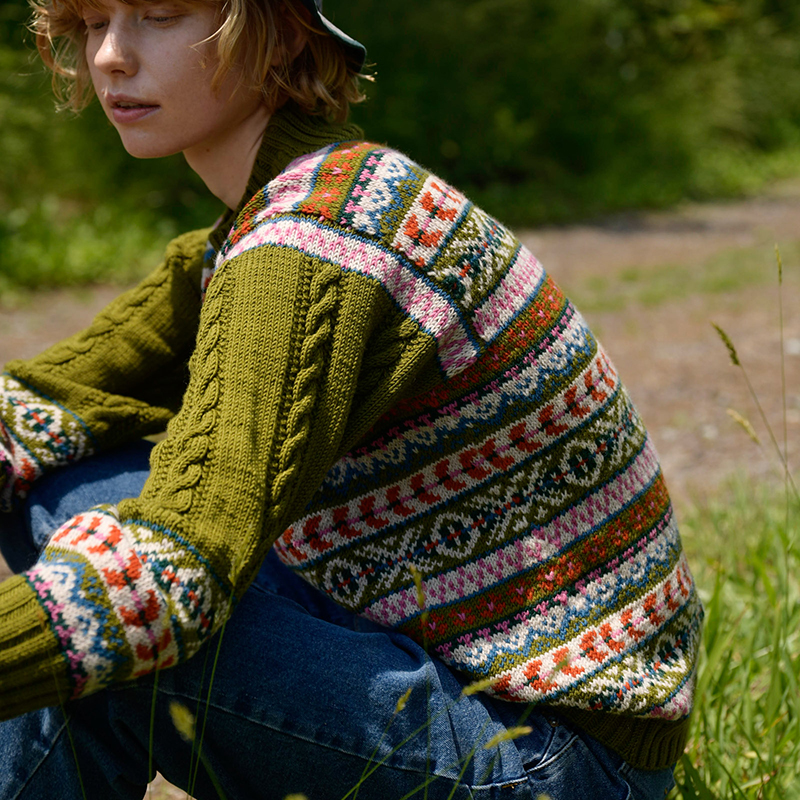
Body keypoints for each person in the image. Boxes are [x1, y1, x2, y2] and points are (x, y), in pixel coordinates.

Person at [0, 1, 703, 797]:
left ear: (278, 33)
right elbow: (38, 406)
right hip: (462, 677)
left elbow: (175, 574)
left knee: (112, 629)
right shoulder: (280, 215)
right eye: (94, 21)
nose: (110, 56)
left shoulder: (314, 238)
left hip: (556, 756)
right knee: (70, 501)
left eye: (159, 13)